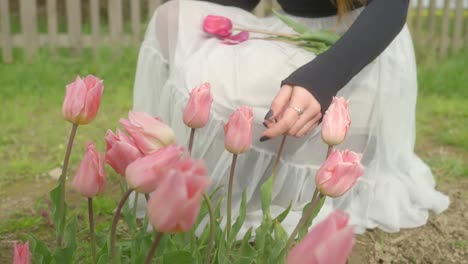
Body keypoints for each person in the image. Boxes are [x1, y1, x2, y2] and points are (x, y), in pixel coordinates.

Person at [132, 0, 449, 235]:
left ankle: (291, 185)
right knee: (175, 17)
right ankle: (226, 177)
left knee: (284, 105)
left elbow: (390, 8)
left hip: (357, 47)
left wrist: (321, 81)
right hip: (288, 34)